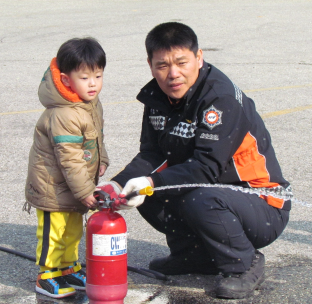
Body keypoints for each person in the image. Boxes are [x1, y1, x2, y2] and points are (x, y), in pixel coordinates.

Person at [101, 22, 291, 299]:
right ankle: (192, 255)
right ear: (150, 64)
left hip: (262, 203)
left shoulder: (220, 99)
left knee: (194, 196)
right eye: (162, 65)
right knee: (142, 189)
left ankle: (243, 263)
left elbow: (206, 168)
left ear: (199, 57)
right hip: (215, 194)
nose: (173, 74)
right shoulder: (158, 97)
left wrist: (151, 181)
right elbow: (152, 156)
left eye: (181, 62)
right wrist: (117, 186)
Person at [24, 37, 109, 299]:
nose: (93, 83)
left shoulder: (89, 104)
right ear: (66, 79)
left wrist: (102, 160)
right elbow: (69, 157)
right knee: (54, 232)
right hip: (54, 187)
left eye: (98, 75)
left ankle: (68, 268)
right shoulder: (64, 114)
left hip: (74, 185)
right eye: (85, 77)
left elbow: (97, 137)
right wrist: (86, 189)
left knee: (72, 230)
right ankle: (47, 274)